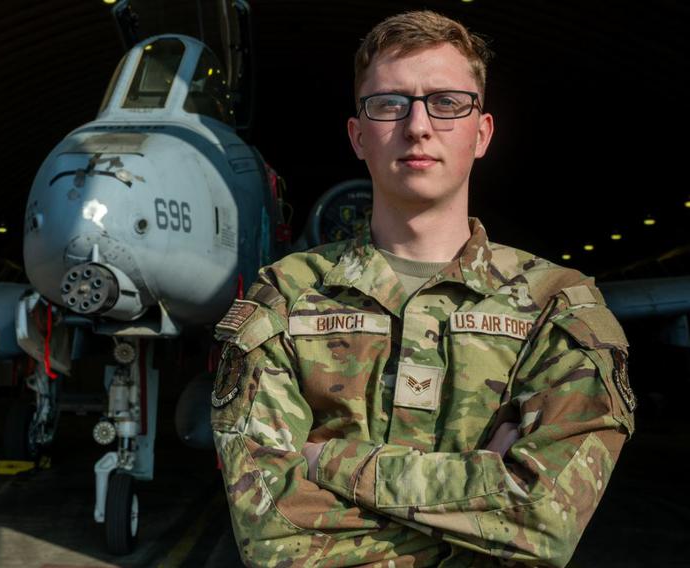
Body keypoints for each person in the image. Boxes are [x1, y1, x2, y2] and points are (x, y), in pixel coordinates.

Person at [210, 9, 636, 568]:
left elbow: (545, 521)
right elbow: (271, 535)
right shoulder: (284, 300)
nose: (417, 126)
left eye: (447, 102)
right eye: (389, 103)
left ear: (481, 133)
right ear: (358, 136)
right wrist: (483, 490)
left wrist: (324, 462)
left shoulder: (555, 305)